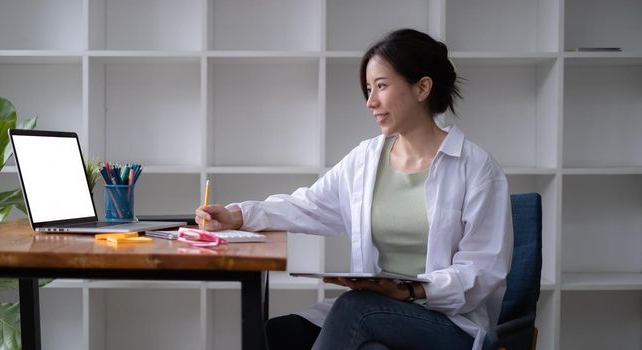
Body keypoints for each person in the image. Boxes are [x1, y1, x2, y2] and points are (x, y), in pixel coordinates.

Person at [195, 28, 512, 350]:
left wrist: (408, 290)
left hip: (445, 321)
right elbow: (309, 205)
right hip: (374, 309)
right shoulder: (366, 158)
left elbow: (482, 273)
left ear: (422, 88)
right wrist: (237, 215)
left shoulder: (476, 168)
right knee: (280, 333)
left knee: (354, 309)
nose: (371, 102)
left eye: (382, 86)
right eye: (368, 89)